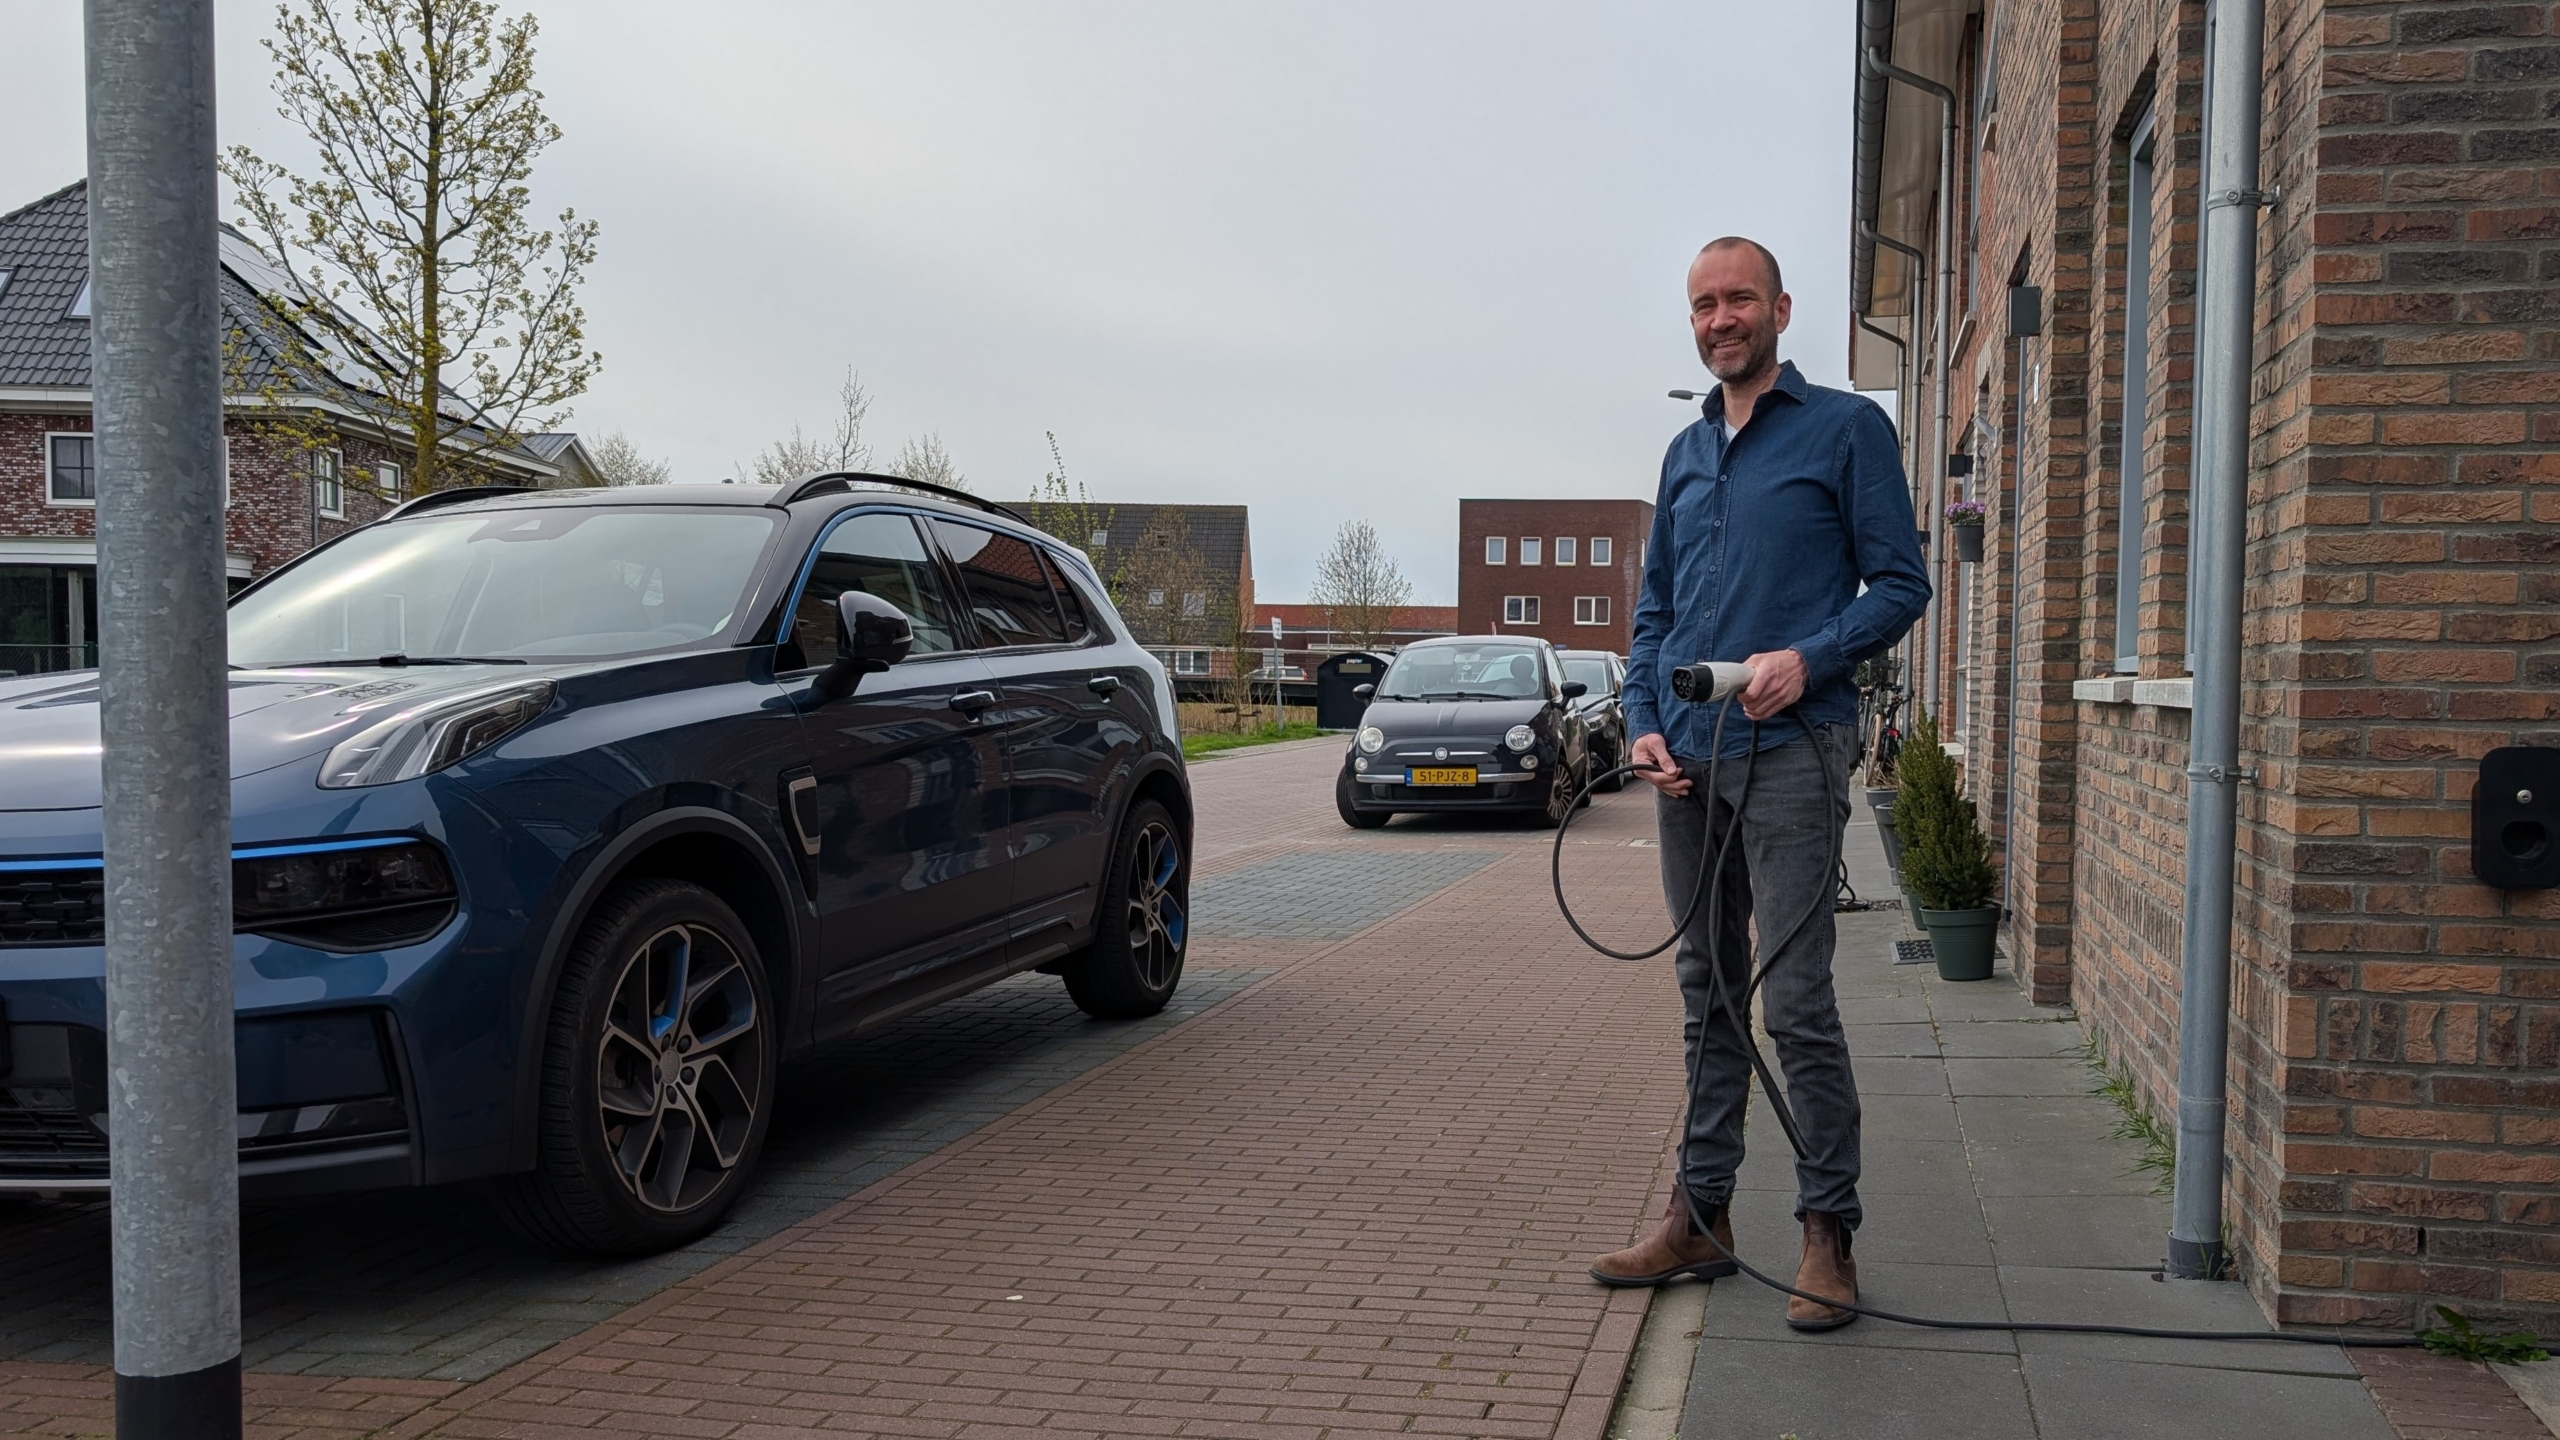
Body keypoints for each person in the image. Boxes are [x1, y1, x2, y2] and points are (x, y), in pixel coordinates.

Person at [1588, 237, 1930, 1330]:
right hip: (1686, 765)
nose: (1719, 319)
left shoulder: (1845, 430)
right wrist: (1643, 723)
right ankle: (1701, 1218)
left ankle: (1828, 1233)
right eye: (1703, 304)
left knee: (1795, 999)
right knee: (1707, 993)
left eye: (1738, 299)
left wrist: (1807, 659)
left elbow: (1902, 584)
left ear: (1780, 309)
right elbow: (1653, 615)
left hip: (1792, 751)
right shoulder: (1685, 454)